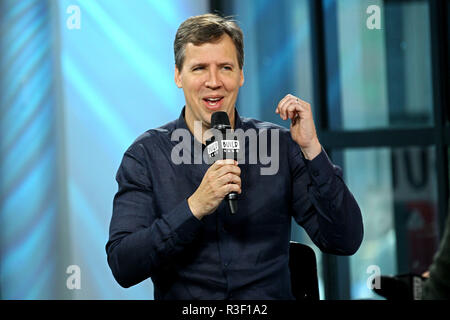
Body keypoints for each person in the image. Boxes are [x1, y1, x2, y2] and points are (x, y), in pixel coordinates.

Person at [106, 13, 363, 300]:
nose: (214, 81)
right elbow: (123, 265)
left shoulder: (279, 145)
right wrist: (193, 207)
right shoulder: (146, 156)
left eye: (225, 68)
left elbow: (345, 240)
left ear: (241, 74)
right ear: (178, 75)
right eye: (199, 68)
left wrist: (312, 149)